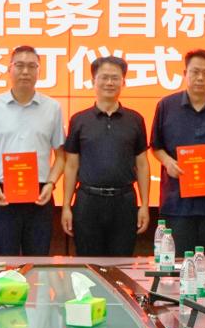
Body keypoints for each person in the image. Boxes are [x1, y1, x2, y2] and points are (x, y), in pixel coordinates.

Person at [0, 45, 65, 256]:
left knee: (38, 263)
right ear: (9, 69)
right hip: (2, 195)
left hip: (40, 196)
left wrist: (51, 184)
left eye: (32, 66)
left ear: (39, 72)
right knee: (5, 263)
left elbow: (61, 155)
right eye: (20, 65)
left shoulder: (52, 108)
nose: (25, 71)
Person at [150, 49, 205, 257]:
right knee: (177, 262)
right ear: (185, 73)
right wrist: (168, 162)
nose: (200, 78)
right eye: (195, 72)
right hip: (177, 201)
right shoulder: (166, 105)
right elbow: (156, 146)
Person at [62, 56, 151, 256]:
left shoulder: (135, 119)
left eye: (115, 78)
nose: (109, 83)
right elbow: (71, 166)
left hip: (124, 201)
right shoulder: (79, 120)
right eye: (104, 77)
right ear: (93, 81)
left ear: (123, 82)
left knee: (121, 262)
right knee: (88, 263)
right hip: (88, 201)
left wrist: (145, 205)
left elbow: (142, 164)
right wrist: (66, 206)